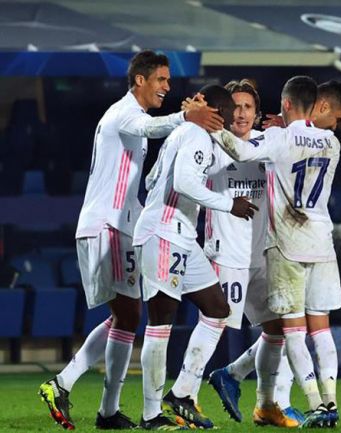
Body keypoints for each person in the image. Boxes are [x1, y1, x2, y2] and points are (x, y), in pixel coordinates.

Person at [38, 50, 222, 430]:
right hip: (108, 224)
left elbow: (149, 157)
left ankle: (104, 410)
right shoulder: (123, 113)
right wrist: (186, 117)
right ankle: (64, 384)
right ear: (140, 80)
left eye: (169, 81)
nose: (167, 87)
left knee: (125, 316)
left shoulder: (132, 118)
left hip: (119, 223)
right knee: (129, 315)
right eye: (161, 80)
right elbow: (149, 128)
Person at [207, 80, 341, 428]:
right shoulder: (333, 143)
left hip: (286, 244)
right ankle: (331, 404)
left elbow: (240, 152)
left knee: (294, 331)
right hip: (322, 240)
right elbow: (304, 141)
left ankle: (314, 403)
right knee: (323, 331)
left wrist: (212, 129)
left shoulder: (277, 138)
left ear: (284, 103)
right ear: (315, 104)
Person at [132, 84, 256, 430]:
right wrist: (230, 205)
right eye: (230, 112)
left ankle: (183, 393)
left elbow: (154, 176)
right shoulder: (196, 135)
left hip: (183, 237)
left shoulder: (191, 136)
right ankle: (151, 415)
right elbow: (186, 183)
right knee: (160, 325)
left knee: (217, 309)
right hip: (163, 234)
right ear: (217, 114)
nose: (235, 117)